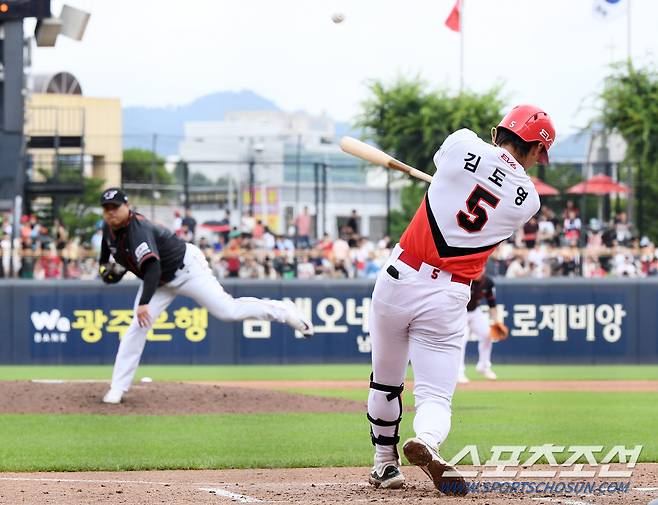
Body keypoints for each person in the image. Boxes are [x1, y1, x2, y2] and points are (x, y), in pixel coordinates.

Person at [365, 104, 551, 493]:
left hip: (400, 276)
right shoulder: (528, 200)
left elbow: (461, 166)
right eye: (539, 153)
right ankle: (428, 441)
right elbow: (489, 192)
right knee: (435, 394)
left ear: (500, 130)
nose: (539, 162)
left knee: (386, 381)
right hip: (449, 294)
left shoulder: (462, 141)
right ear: (534, 148)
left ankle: (385, 464)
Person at [97, 188, 313, 404]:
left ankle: (284, 310)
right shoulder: (110, 229)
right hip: (161, 283)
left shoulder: (139, 229)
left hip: (187, 270)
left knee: (228, 311)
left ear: (127, 206)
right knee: (137, 327)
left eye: (115, 207)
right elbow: (106, 260)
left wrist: (144, 303)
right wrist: (106, 271)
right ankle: (118, 387)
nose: (111, 212)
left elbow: (152, 267)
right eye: (106, 208)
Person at [458, 273, 499, 384]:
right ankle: (459, 372)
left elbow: (492, 304)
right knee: (461, 340)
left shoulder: (488, 282)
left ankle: (483, 366)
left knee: (487, 335)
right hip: (460, 312)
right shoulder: (464, 277)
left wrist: (496, 322)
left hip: (475, 311)